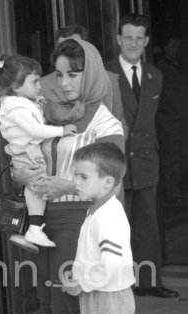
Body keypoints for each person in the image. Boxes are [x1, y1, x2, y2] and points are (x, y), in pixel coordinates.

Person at [13, 38, 125, 314]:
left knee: (68, 311)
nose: (63, 83)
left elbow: (111, 182)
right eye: (59, 74)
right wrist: (23, 173)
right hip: (45, 219)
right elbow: (31, 156)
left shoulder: (106, 124)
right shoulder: (49, 114)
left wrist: (65, 186)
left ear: (90, 74)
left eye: (73, 75)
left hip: (79, 219)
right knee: (49, 310)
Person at [104, 14, 178, 298]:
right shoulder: (107, 73)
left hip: (146, 160)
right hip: (117, 161)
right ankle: (123, 288)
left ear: (146, 41)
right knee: (118, 228)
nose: (133, 43)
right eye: (128, 37)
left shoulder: (154, 75)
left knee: (147, 224)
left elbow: (158, 120)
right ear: (118, 39)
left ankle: (149, 281)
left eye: (139, 38)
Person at [66, 142, 135, 314]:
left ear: (107, 182)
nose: (76, 181)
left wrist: (82, 282)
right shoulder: (98, 210)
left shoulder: (109, 216)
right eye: (75, 174)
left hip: (107, 298)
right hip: (99, 294)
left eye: (83, 176)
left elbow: (112, 265)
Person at [0, 54, 77, 249]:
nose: (39, 86)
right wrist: (61, 130)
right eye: (34, 81)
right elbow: (35, 130)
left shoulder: (18, 104)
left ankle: (22, 230)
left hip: (25, 150)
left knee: (30, 188)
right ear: (16, 87)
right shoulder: (17, 108)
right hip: (28, 151)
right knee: (37, 187)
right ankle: (34, 229)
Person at [40, 25, 126, 130]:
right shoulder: (41, 85)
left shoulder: (109, 79)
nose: (68, 54)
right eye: (63, 48)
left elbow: (120, 125)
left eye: (74, 48)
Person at [156, 36, 188, 202]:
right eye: (173, 46)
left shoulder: (179, 67)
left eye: (178, 47)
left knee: (183, 155)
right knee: (172, 157)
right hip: (170, 119)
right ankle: (173, 192)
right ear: (166, 48)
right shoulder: (161, 69)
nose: (176, 50)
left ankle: (180, 190)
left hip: (182, 118)